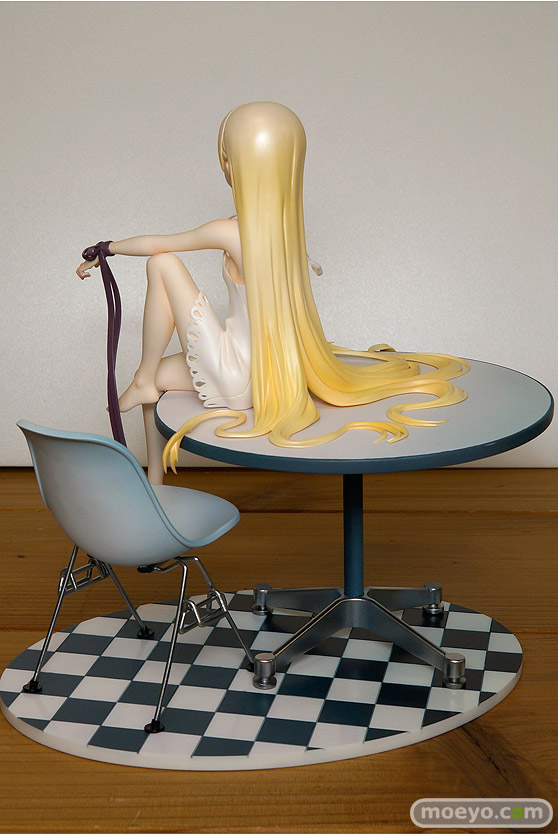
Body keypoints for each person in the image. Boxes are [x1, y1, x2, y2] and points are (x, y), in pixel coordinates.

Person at [77, 102, 468, 484]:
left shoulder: (229, 232)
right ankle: (153, 477)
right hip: (267, 377)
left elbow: (158, 245)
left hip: (233, 373)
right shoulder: (286, 233)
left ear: (234, 165)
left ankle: (143, 382)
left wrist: (105, 249)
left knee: (161, 264)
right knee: (162, 377)